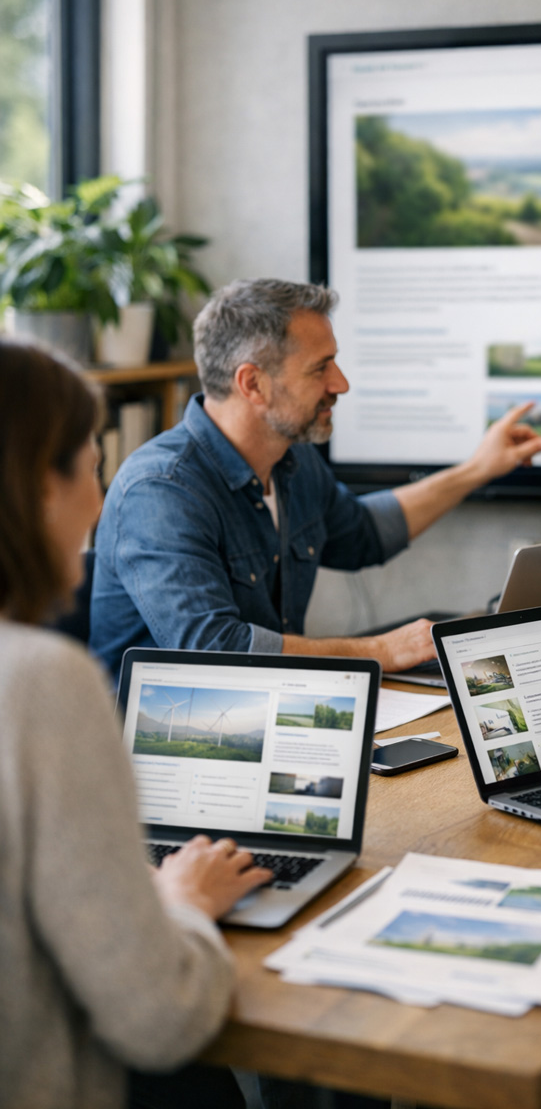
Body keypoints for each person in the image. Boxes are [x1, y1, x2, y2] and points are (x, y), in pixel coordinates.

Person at [0, 339, 272, 1109]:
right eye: (92, 468)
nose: (101, 507)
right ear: (36, 489)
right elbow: (157, 1014)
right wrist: (182, 902)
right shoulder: (39, 684)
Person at [90, 278, 541, 680]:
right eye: (320, 367)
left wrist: (478, 469)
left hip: (269, 712)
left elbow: (364, 534)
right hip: (161, 755)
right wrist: (379, 651)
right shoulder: (160, 489)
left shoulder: (294, 461)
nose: (341, 383)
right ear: (252, 384)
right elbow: (216, 650)